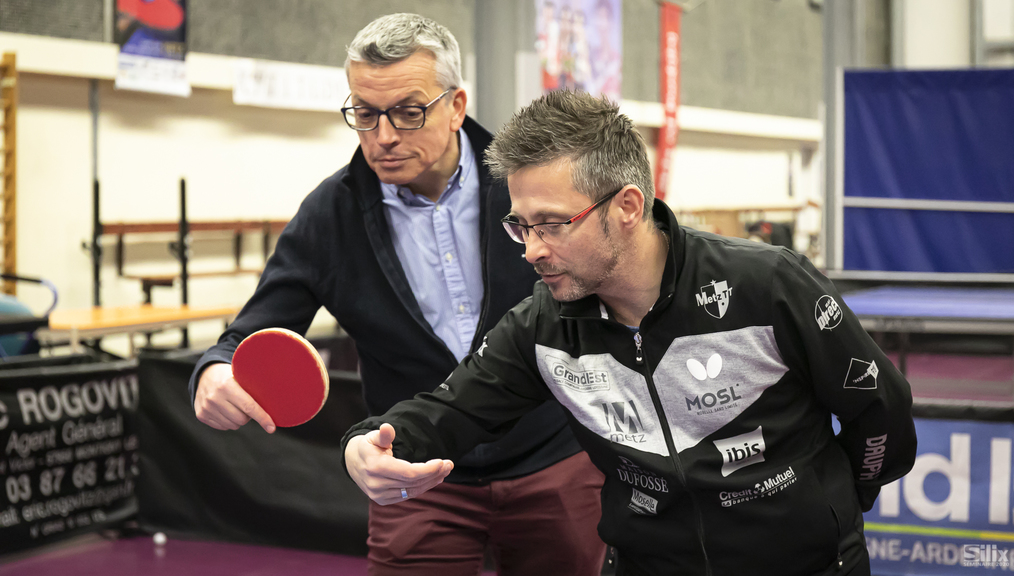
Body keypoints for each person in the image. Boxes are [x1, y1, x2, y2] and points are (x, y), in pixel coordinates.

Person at [343, 90, 918, 576]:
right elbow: (449, 411)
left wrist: (834, 507)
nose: (531, 249)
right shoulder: (543, 325)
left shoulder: (766, 284)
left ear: (626, 206)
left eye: (551, 224)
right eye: (521, 225)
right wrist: (366, 444)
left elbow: (880, 411)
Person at [190, 15, 606, 576]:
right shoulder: (330, 215)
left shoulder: (529, 186)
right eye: (365, 114)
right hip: (408, 468)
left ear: (456, 106)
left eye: (410, 112)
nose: (383, 136)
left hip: (552, 460)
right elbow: (249, 333)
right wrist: (215, 371)